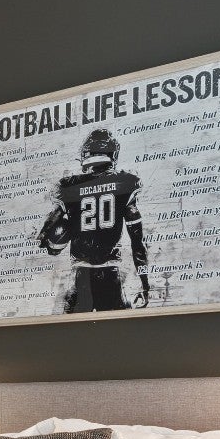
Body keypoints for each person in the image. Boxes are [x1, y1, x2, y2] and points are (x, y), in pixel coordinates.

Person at [37, 128, 149, 312]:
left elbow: (48, 232)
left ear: (86, 153)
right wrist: (145, 284)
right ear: (113, 154)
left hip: (81, 275)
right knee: (115, 328)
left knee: (75, 328)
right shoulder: (126, 182)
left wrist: (46, 240)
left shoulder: (69, 186)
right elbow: (137, 242)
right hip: (111, 274)